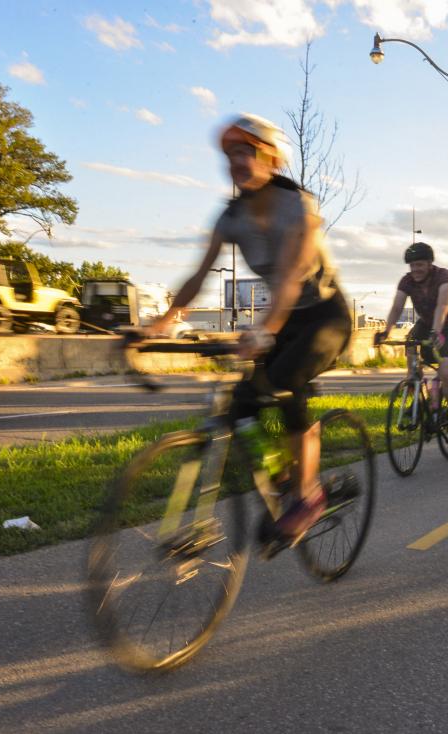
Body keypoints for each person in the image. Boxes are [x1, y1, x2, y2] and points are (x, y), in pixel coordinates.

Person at [147, 113, 351, 545]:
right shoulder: (231, 216)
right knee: (241, 408)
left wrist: (263, 331)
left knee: (286, 380)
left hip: (323, 316)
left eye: (248, 152)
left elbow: (294, 274)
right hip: (282, 319)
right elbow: (199, 274)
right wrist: (163, 321)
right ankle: (281, 482)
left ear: (272, 160)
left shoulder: (298, 205)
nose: (238, 161)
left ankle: (309, 496)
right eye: (232, 153)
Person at [375, 242, 448, 445]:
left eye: (420, 265)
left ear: (430, 264)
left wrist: (436, 332)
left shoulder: (442, 276)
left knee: (446, 371)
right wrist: (385, 331)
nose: (415, 270)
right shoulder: (407, 281)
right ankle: (415, 397)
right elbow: (397, 306)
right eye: (412, 265)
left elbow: (443, 305)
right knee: (411, 353)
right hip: (425, 324)